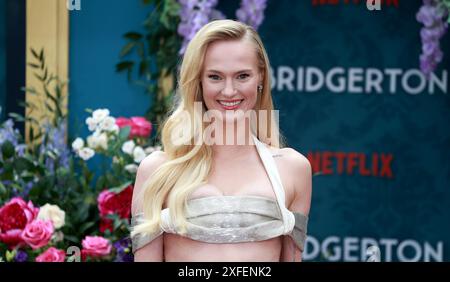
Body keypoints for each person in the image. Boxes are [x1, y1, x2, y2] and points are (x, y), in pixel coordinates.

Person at [130, 19, 312, 262]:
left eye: (242, 76)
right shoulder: (157, 170)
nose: (229, 91)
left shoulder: (293, 168)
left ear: (261, 78)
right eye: (215, 77)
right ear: (199, 81)